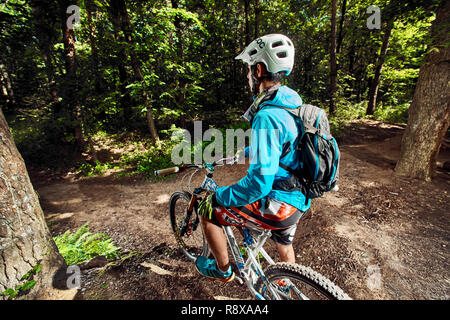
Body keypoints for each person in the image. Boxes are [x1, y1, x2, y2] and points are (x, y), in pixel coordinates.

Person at [196, 34, 310, 282]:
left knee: (207, 209)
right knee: (283, 240)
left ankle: (222, 270)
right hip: (299, 198)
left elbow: (259, 184)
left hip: (278, 204)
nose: (248, 76)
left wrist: (221, 195)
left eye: (249, 70)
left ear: (259, 69)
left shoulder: (267, 116)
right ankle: (285, 285)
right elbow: (283, 146)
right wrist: (239, 155)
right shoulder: (293, 103)